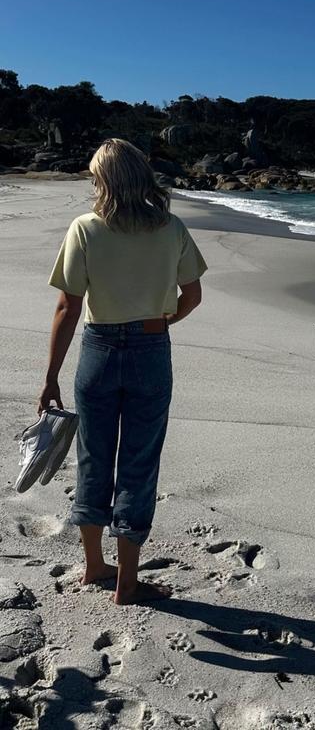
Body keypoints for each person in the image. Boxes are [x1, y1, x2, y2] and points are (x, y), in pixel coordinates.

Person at [40, 138, 207, 605]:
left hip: (98, 350)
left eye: (95, 175)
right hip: (150, 350)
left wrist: (50, 376)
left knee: (94, 457)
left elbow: (67, 307)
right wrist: (161, 320)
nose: (92, 182)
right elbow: (192, 296)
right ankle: (126, 583)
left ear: (107, 182)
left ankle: (94, 566)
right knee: (139, 463)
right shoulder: (171, 228)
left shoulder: (85, 228)